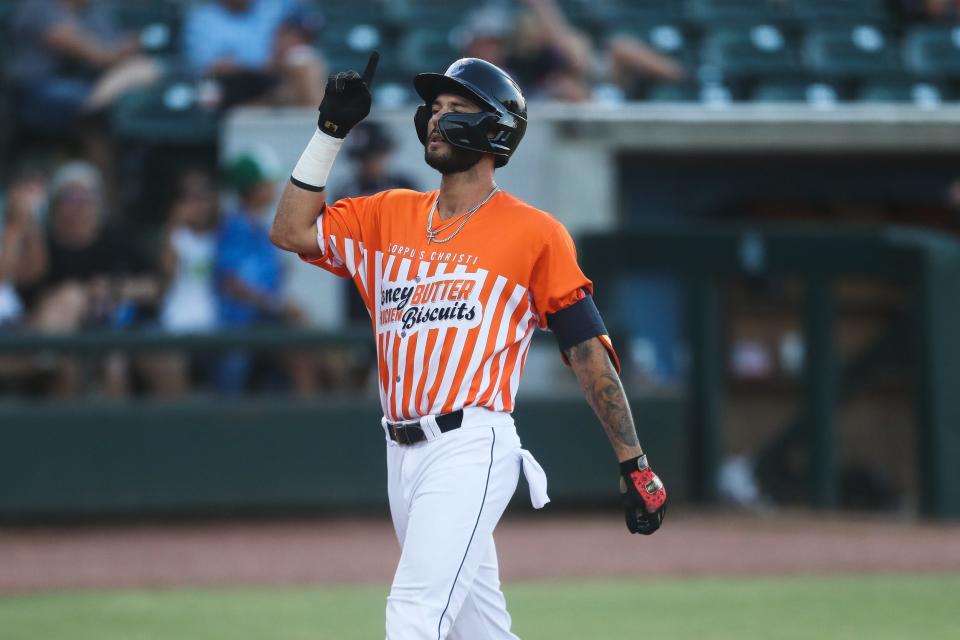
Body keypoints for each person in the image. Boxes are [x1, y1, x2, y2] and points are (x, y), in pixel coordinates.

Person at [270, 53, 668, 639]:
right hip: (400, 450)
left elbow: (588, 353)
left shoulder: (536, 233)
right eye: (434, 107)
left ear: (494, 129)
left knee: (414, 614)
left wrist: (633, 462)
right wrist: (329, 133)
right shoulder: (388, 213)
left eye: (455, 108)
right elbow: (291, 231)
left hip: (470, 444)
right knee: (478, 631)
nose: (435, 117)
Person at [182, 0, 325, 109]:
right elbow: (212, 67)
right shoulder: (204, 19)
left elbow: (302, 31)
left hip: (273, 79)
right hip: (234, 89)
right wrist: (263, 63)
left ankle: (326, 136)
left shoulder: (271, 7)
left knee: (304, 61)